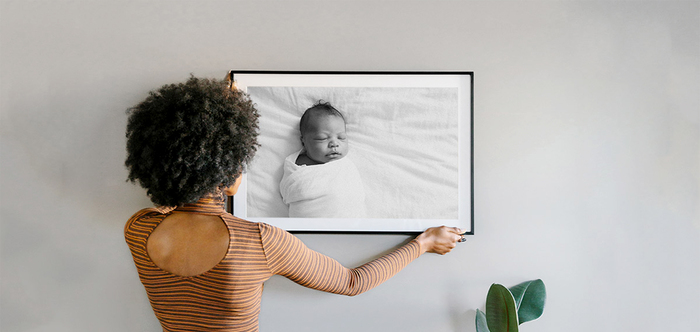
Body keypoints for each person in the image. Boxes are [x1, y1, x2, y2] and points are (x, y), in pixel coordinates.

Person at [124, 76, 464, 332]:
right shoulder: (260, 242)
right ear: (229, 174)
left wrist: (207, 129)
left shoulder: (138, 228)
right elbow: (352, 282)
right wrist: (425, 242)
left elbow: (177, 201)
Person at [279, 101, 366, 218]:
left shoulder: (345, 167)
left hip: (349, 227)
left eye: (341, 137)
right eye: (322, 138)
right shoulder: (295, 167)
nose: (334, 143)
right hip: (306, 229)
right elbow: (288, 191)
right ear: (303, 141)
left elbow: (355, 195)